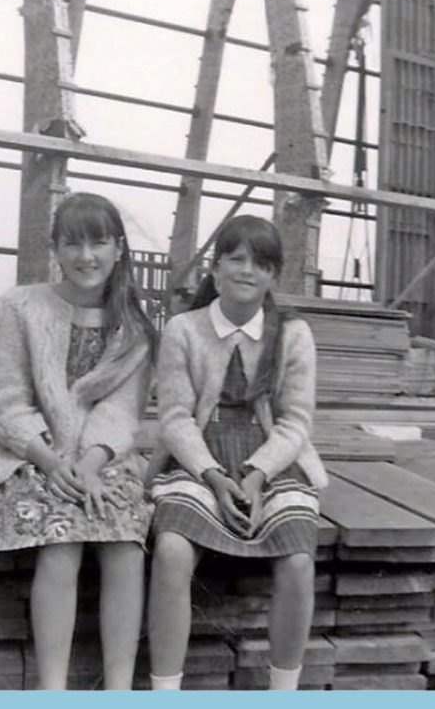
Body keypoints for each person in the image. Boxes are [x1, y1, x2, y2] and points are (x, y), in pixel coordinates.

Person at [0, 193, 156, 690]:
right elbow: (4, 400)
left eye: (99, 242)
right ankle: (52, 689)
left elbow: (121, 412)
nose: (86, 256)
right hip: (30, 455)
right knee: (61, 542)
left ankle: (118, 688)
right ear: (55, 248)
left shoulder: (133, 327)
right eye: (72, 243)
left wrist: (92, 464)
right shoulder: (19, 306)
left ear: (119, 248)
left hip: (102, 459)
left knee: (125, 543)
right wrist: (49, 459)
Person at [146, 214, 328, 691]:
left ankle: (283, 692)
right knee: (170, 549)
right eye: (237, 259)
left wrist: (254, 477)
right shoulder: (184, 330)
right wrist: (213, 476)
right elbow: (176, 418)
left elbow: (294, 423)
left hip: (273, 462)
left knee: (297, 559)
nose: (247, 271)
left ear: (273, 276)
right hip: (198, 459)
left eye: (261, 263)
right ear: (216, 266)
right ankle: (165, 691)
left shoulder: (292, 334)